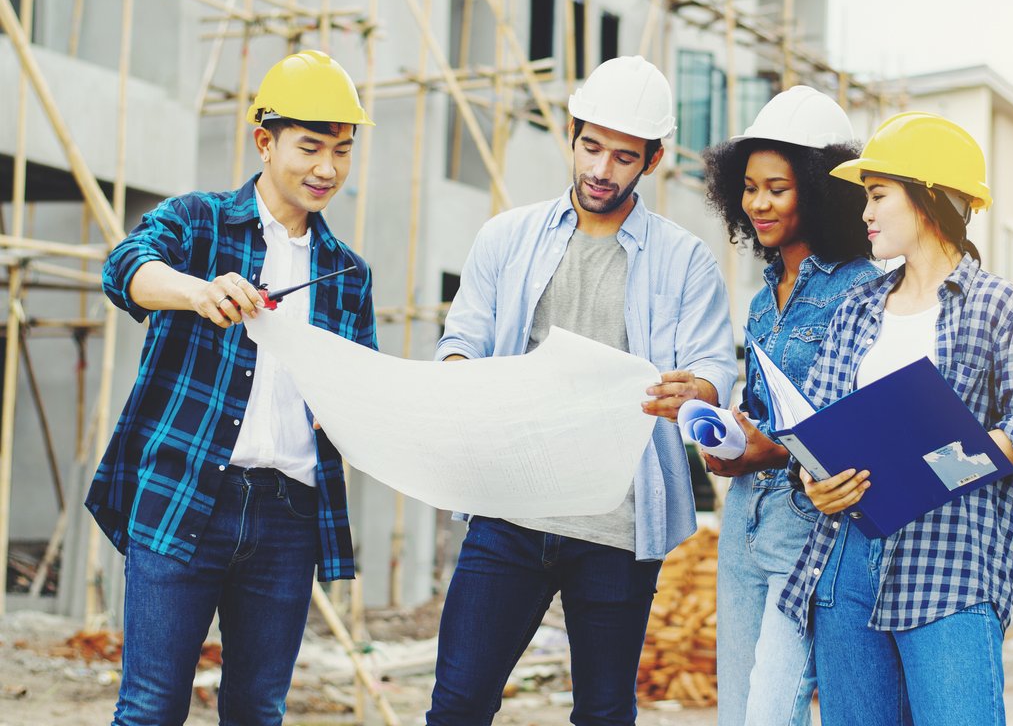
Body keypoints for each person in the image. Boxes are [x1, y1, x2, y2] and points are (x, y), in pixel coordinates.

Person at [426, 55, 737, 724]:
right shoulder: (505, 238)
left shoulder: (685, 260)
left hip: (616, 525)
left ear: (651, 162)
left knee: (602, 712)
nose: (601, 170)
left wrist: (700, 386)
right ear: (570, 136)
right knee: (457, 704)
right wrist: (459, 374)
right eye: (590, 147)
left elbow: (714, 361)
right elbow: (463, 336)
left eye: (623, 157)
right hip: (509, 511)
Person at [86, 50, 377, 725]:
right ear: (264, 141)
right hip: (184, 493)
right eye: (310, 147)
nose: (327, 168)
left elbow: (356, 388)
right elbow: (123, 267)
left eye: (342, 150)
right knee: (152, 708)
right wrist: (196, 291)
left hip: (288, 515)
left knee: (256, 711)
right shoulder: (197, 223)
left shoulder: (347, 273)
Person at [777, 112, 1013, 725]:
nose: (865, 213)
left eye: (878, 196)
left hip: (949, 564)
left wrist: (931, 472)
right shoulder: (856, 308)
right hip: (846, 562)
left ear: (930, 199)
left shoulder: (1002, 308)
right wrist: (815, 483)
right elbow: (816, 425)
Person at [699, 86, 878, 726]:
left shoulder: (864, 288)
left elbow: (863, 421)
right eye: (749, 187)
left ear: (820, 188)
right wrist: (729, 444)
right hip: (745, 521)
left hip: (811, 526)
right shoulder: (759, 299)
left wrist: (771, 447)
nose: (758, 203)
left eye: (776, 187)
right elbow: (760, 412)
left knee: (771, 712)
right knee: (738, 712)